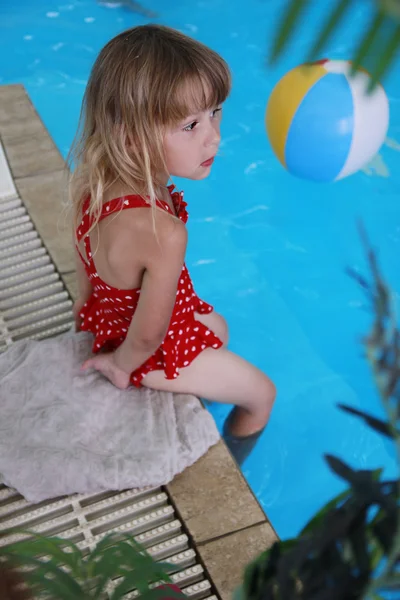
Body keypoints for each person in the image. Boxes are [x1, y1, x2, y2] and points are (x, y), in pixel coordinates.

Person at [69, 24, 276, 465]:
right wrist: (119, 367)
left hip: (111, 323)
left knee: (218, 327)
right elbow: (147, 334)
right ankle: (230, 465)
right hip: (142, 350)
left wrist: (85, 323)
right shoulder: (162, 232)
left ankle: (206, 385)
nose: (214, 136)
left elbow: (85, 273)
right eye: (191, 125)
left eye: (215, 112)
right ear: (131, 136)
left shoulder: (95, 185)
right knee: (262, 394)